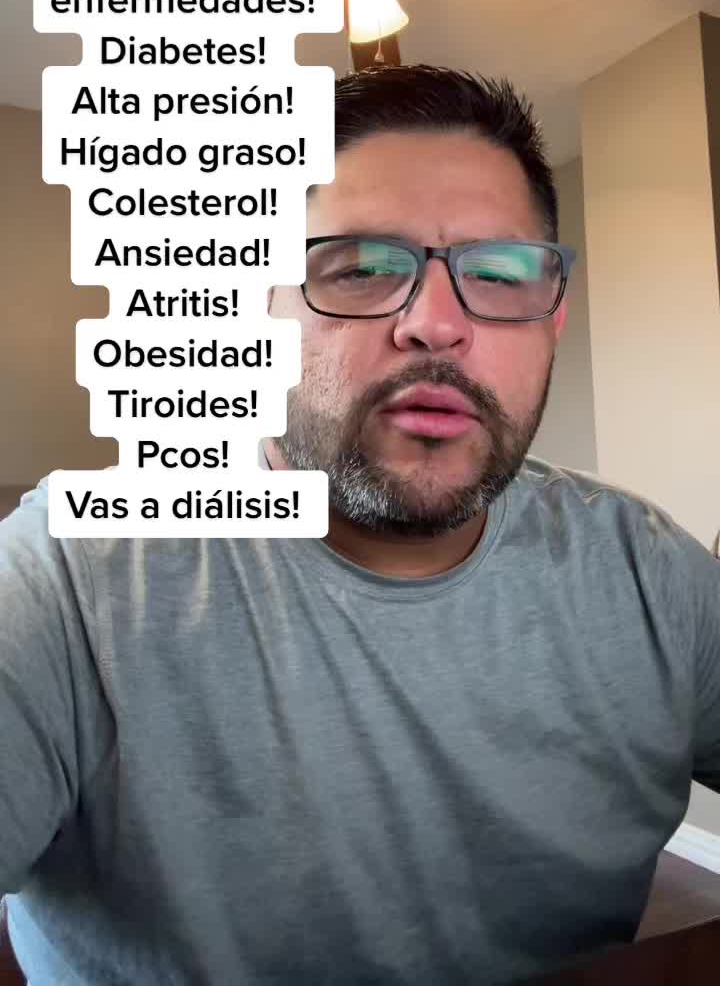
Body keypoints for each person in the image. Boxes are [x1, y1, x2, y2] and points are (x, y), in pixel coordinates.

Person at [1, 64, 718, 986]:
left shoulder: (648, 572)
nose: (437, 325)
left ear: (552, 319)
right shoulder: (71, 577)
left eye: (499, 275)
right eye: (362, 268)